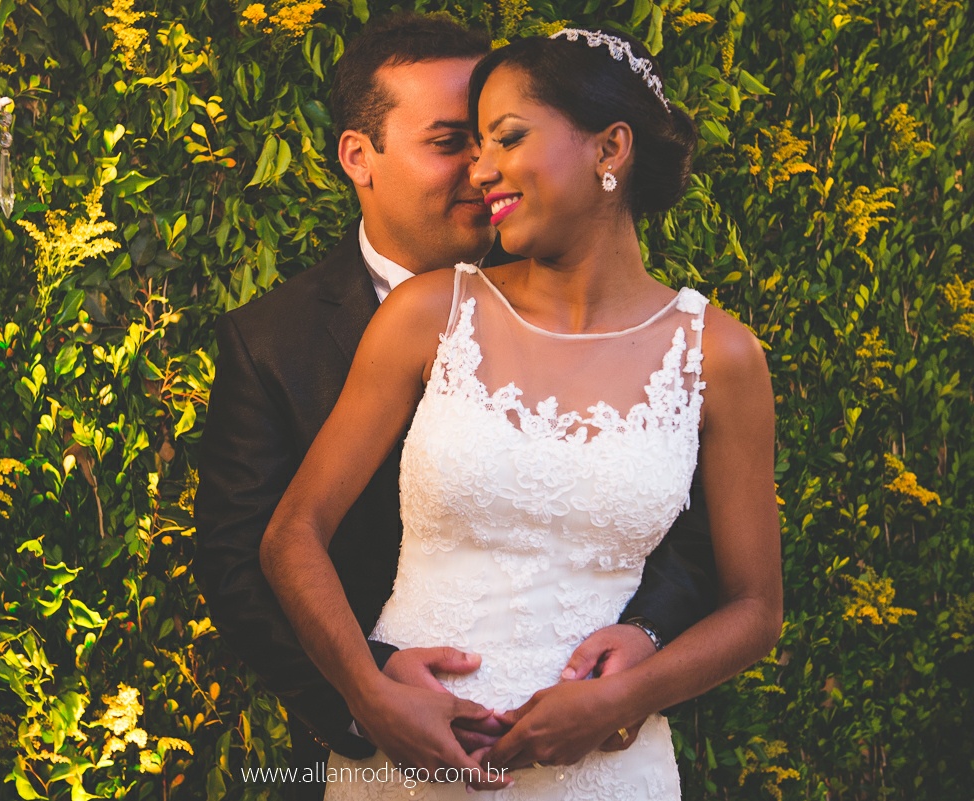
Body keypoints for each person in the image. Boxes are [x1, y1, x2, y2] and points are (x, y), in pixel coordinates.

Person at [195, 16, 719, 801]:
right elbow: (243, 562)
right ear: (357, 157)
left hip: (592, 755)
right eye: (454, 142)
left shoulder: (643, 320)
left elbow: (694, 538)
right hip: (390, 756)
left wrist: (638, 653)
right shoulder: (273, 340)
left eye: (498, 138)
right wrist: (369, 696)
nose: (483, 170)